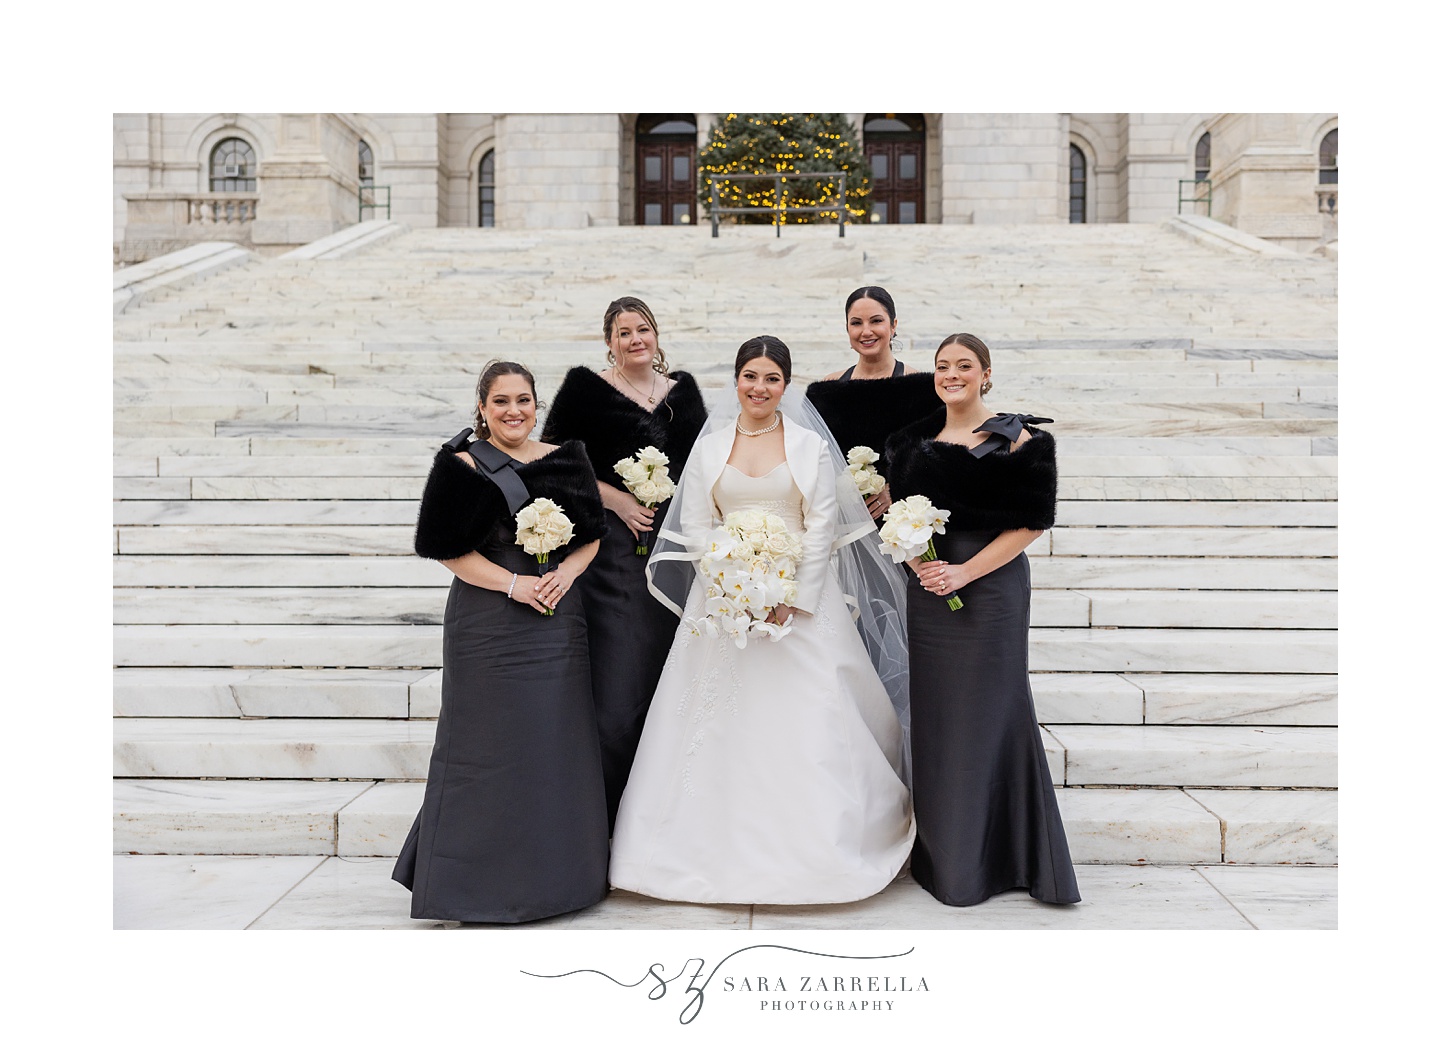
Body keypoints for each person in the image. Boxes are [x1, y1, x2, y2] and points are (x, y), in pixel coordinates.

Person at [608, 336, 915, 906]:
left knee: (809, 716)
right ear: (737, 379)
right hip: (722, 603)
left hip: (799, 601)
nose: (759, 388)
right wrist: (730, 587)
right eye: (751, 376)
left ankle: (825, 847)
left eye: (772, 378)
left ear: (786, 385)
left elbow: (821, 526)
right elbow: (698, 524)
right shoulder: (710, 448)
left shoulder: (807, 447)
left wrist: (790, 595)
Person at [393, 360, 611, 923]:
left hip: (557, 619)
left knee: (553, 745)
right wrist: (513, 583)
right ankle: (474, 887)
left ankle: (560, 882)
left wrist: (568, 573)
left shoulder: (567, 457)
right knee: (485, 749)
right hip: (488, 620)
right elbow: (445, 548)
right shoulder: (461, 465)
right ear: (483, 409)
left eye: (524, 400)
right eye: (501, 402)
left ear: (536, 404)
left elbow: (590, 536)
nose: (514, 411)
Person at [883, 333, 1080, 907]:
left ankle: (1002, 859)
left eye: (964, 366)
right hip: (930, 591)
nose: (951, 374)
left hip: (991, 588)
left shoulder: (1021, 439)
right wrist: (923, 563)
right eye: (943, 366)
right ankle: (947, 859)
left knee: (994, 712)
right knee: (941, 721)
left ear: (985, 374)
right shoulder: (909, 441)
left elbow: (1033, 522)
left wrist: (966, 573)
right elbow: (900, 518)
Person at [540, 297, 708, 832]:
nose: (635, 339)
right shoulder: (585, 390)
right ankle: (606, 818)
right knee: (620, 691)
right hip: (612, 555)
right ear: (608, 341)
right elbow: (550, 456)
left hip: (677, 552)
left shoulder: (683, 394)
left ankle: (662, 818)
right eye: (623, 332)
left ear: (657, 336)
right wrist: (615, 499)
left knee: (670, 686)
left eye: (643, 329)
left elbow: (704, 467)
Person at [805, 285, 940, 519]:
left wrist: (896, 489)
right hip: (845, 521)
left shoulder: (921, 387)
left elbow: (936, 455)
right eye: (856, 323)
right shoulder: (826, 391)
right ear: (847, 328)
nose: (866, 331)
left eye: (876, 321)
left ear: (893, 325)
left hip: (903, 521)